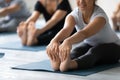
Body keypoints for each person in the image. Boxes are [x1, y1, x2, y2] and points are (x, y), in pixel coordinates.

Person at [46, 0, 120, 72]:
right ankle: (59, 61)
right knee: (77, 50)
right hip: (90, 43)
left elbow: (84, 33)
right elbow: (66, 29)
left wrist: (68, 41)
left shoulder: (100, 17)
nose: (81, 1)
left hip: (114, 47)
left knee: (94, 52)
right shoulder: (73, 15)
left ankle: (70, 65)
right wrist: (54, 40)